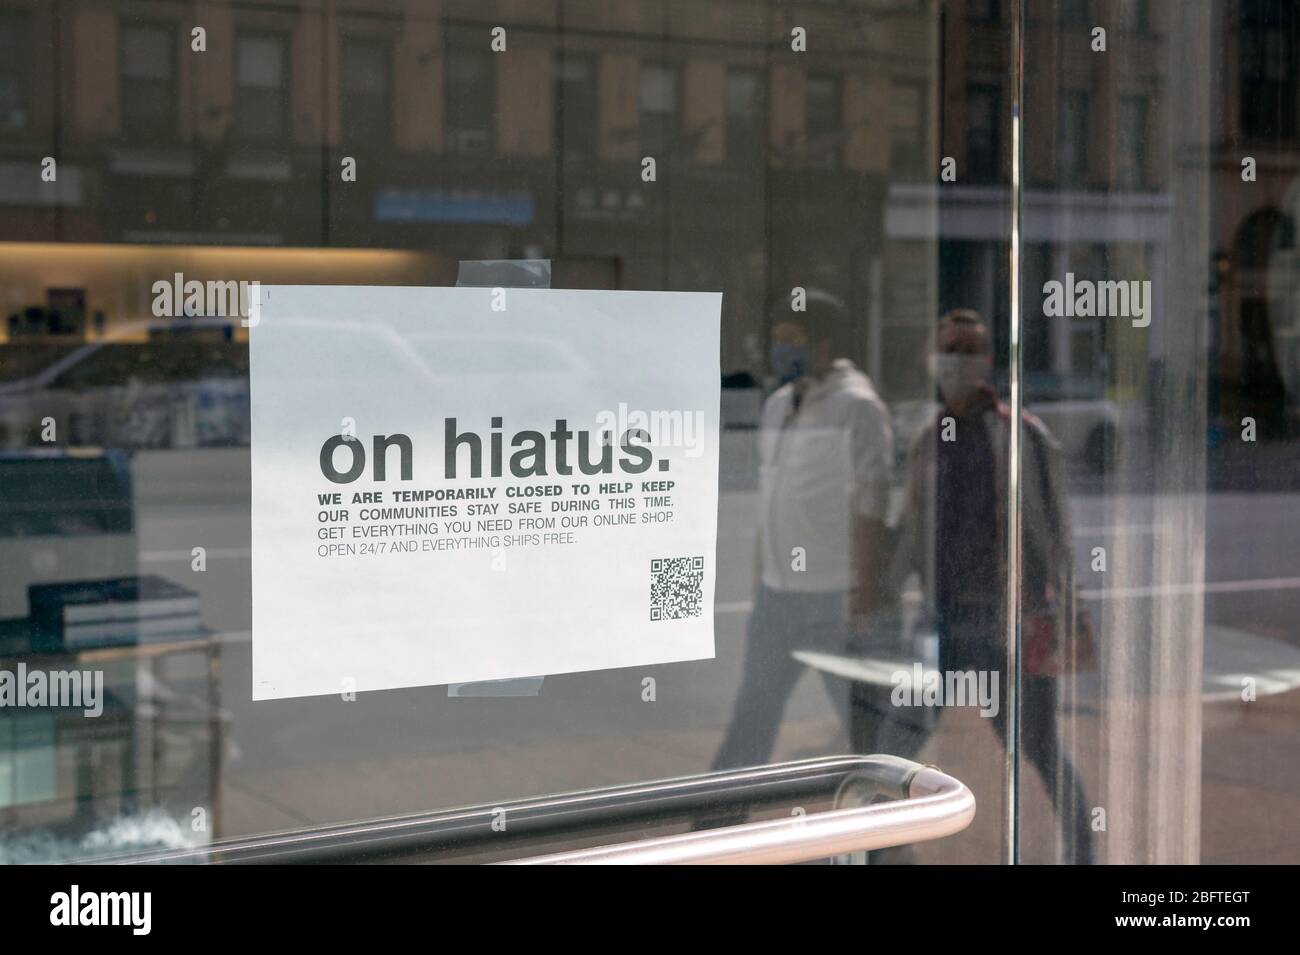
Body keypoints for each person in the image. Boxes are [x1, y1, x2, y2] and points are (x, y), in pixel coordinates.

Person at [883, 308, 1093, 864]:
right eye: (947, 348)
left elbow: (1057, 535)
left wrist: (1071, 613)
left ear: (986, 362)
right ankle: (881, 853)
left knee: (1037, 746)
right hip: (944, 621)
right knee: (895, 745)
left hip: (1010, 624)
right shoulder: (929, 436)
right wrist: (880, 598)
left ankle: (1083, 849)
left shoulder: (1022, 435)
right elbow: (910, 529)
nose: (955, 360)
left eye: (967, 350)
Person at [713, 290, 894, 770]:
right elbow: (769, 500)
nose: (780, 350)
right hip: (776, 599)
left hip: (833, 599)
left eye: (791, 339)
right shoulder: (776, 406)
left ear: (823, 346)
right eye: (776, 340)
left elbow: (872, 504)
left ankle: (892, 834)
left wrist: (865, 593)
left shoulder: (857, 407)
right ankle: (718, 827)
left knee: (864, 728)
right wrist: (759, 581)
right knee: (752, 719)